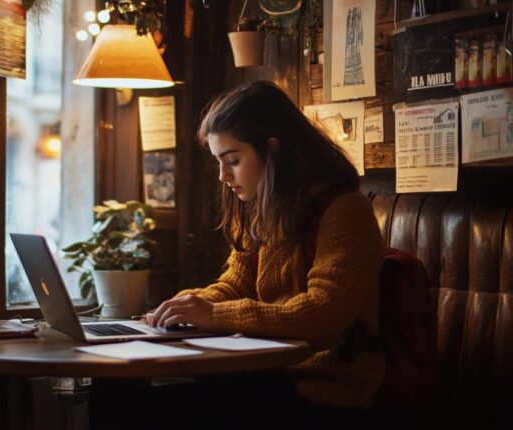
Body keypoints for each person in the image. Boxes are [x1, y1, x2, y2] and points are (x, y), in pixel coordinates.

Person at [145, 81, 384, 425]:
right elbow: (234, 285)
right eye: (219, 162)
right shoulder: (262, 210)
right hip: (267, 376)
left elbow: (323, 313)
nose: (223, 176)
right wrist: (182, 307)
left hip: (327, 388)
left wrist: (213, 316)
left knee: (165, 407)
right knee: (130, 395)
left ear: (274, 150)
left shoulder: (344, 211)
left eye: (234, 160)